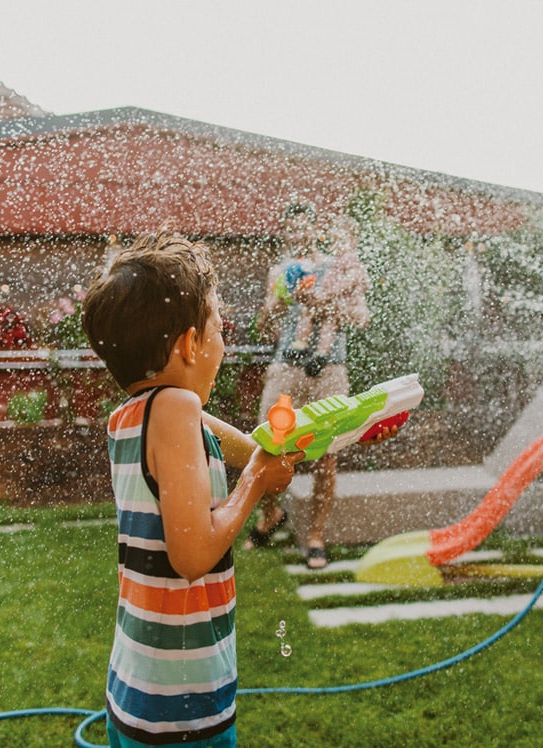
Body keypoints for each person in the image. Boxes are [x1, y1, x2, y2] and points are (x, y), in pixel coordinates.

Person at [82, 232, 302, 746]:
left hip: (140, 685)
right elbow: (192, 554)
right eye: (219, 326)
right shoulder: (176, 411)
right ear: (188, 344)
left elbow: (256, 453)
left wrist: (341, 430)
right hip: (179, 708)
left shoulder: (134, 415)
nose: (224, 338)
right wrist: (255, 486)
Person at [244, 203, 371, 569]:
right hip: (287, 366)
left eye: (304, 227)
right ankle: (270, 515)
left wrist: (324, 302)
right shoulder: (280, 271)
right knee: (267, 445)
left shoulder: (339, 266)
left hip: (329, 369)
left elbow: (360, 318)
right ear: (285, 233)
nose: (297, 234)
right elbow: (267, 329)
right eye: (291, 229)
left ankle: (315, 534)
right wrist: (276, 305)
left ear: (316, 230)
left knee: (326, 455)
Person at [291, 214, 371, 358]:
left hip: (340, 300)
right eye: (333, 242)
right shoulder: (335, 261)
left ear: (354, 241)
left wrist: (330, 293)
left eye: (340, 241)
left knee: (329, 321)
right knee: (309, 312)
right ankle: (303, 345)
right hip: (330, 298)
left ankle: (320, 351)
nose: (336, 246)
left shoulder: (350, 259)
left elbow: (351, 279)